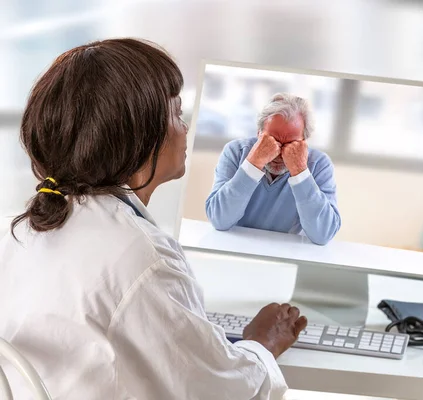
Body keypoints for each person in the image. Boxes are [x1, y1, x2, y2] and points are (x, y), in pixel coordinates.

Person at [0, 38, 307, 400]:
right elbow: (223, 393)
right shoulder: (141, 259)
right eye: (176, 114)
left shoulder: (15, 231)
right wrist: (260, 345)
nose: (185, 128)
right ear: (140, 135)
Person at [205, 93, 341, 245]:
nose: (279, 153)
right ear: (259, 133)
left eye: (291, 144)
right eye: (272, 140)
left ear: (304, 142)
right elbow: (219, 219)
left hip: (286, 254)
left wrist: (300, 171)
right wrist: (254, 163)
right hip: (233, 246)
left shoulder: (319, 164)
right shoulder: (236, 152)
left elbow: (323, 234)